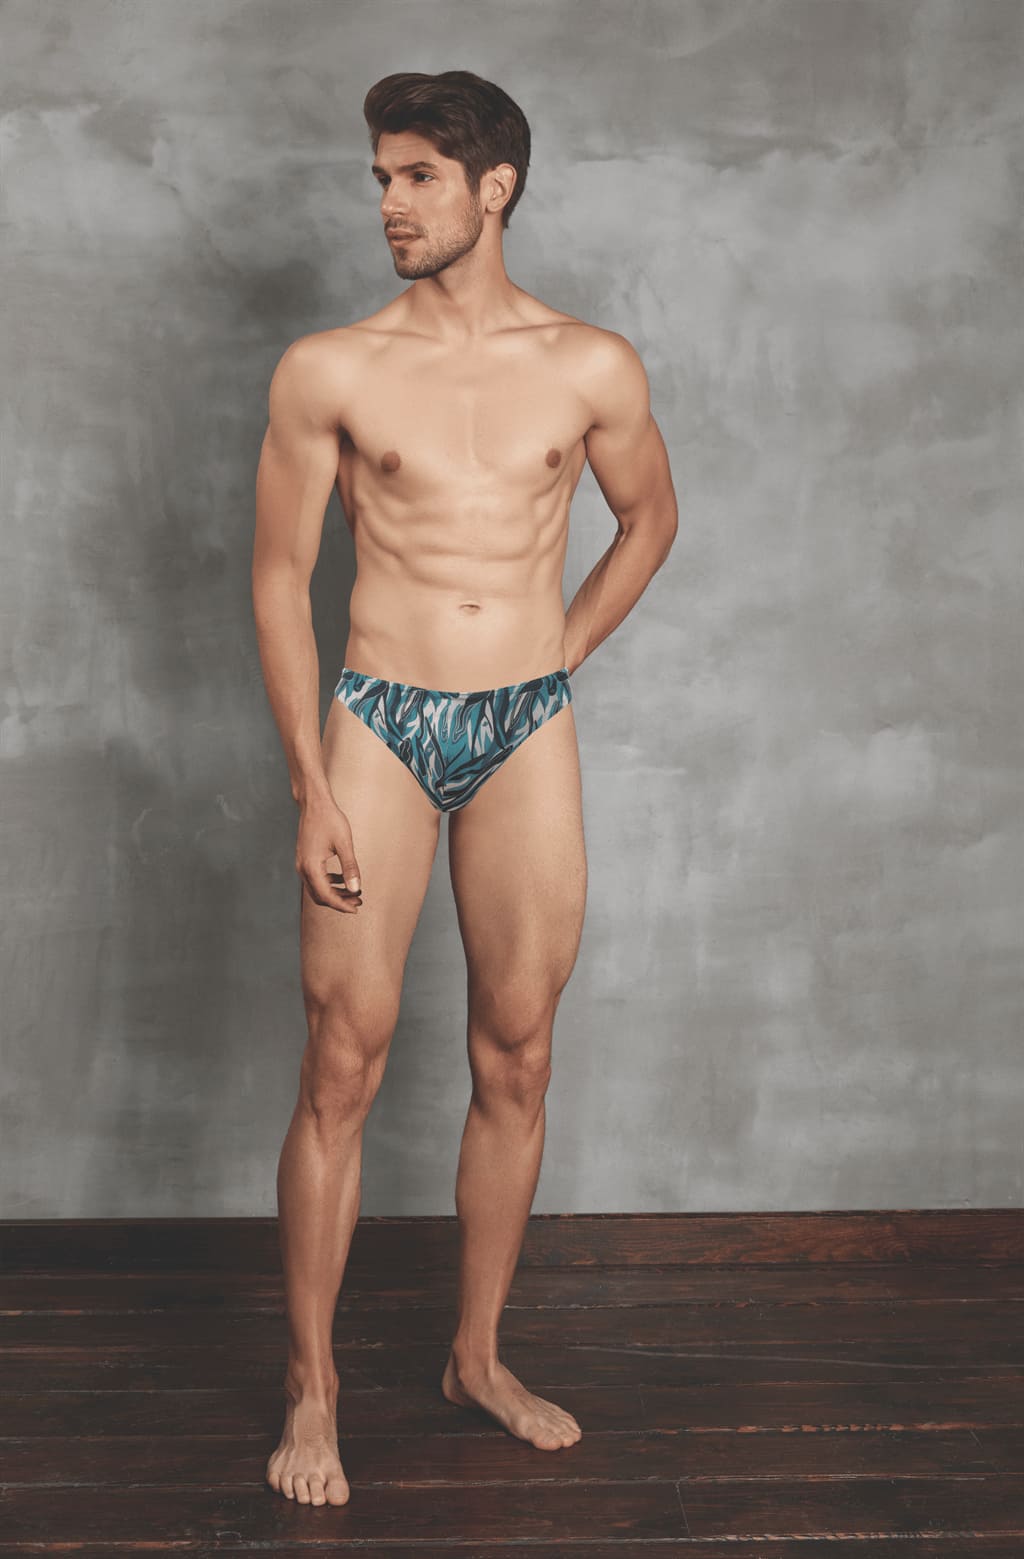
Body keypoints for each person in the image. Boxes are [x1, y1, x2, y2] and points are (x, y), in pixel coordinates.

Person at [253, 68, 678, 1508]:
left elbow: (648, 517)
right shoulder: (331, 369)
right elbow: (276, 577)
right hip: (377, 721)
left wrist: (559, 650)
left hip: (524, 728)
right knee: (343, 1062)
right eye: (380, 177)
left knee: (519, 1055)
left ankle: (476, 1358)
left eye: (416, 176)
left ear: (493, 188)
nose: (388, 202)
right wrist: (310, 786)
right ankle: (311, 1392)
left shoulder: (590, 364)